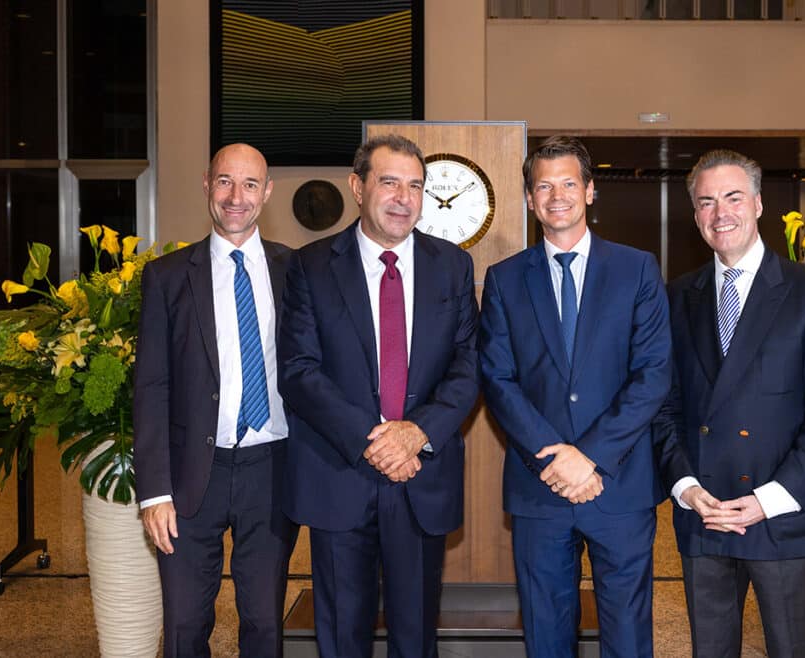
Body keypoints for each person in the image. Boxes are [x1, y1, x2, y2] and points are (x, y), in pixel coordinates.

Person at [278, 133, 479, 658]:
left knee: (415, 637)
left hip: (421, 474)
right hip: (340, 475)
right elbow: (299, 370)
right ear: (357, 186)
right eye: (389, 182)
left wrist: (415, 433)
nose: (403, 197)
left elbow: (468, 364)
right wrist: (376, 441)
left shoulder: (452, 266)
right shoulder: (311, 265)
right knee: (344, 634)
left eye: (416, 186)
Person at [479, 135, 672, 657]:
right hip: (539, 486)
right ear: (528, 198)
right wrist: (556, 459)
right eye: (544, 185)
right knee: (546, 631)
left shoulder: (637, 270)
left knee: (628, 634)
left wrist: (590, 458)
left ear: (589, 192)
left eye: (568, 183)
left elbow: (653, 373)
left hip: (620, 484)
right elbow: (498, 379)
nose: (556, 194)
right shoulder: (504, 280)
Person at [655, 149, 805, 657]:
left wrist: (768, 499)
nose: (721, 212)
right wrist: (685, 487)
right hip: (706, 512)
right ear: (695, 214)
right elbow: (664, 408)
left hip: (784, 515)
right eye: (706, 201)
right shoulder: (676, 297)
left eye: (733, 197)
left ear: (759, 203)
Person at [133, 143, 298, 657]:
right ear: (207, 185)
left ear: (267, 193)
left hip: (272, 469)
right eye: (225, 182)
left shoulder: (297, 273)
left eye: (250, 185)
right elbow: (152, 384)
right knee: (183, 627)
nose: (236, 197)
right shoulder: (166, 277)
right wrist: (154, 492)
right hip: (188, 475)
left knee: (266, 624)